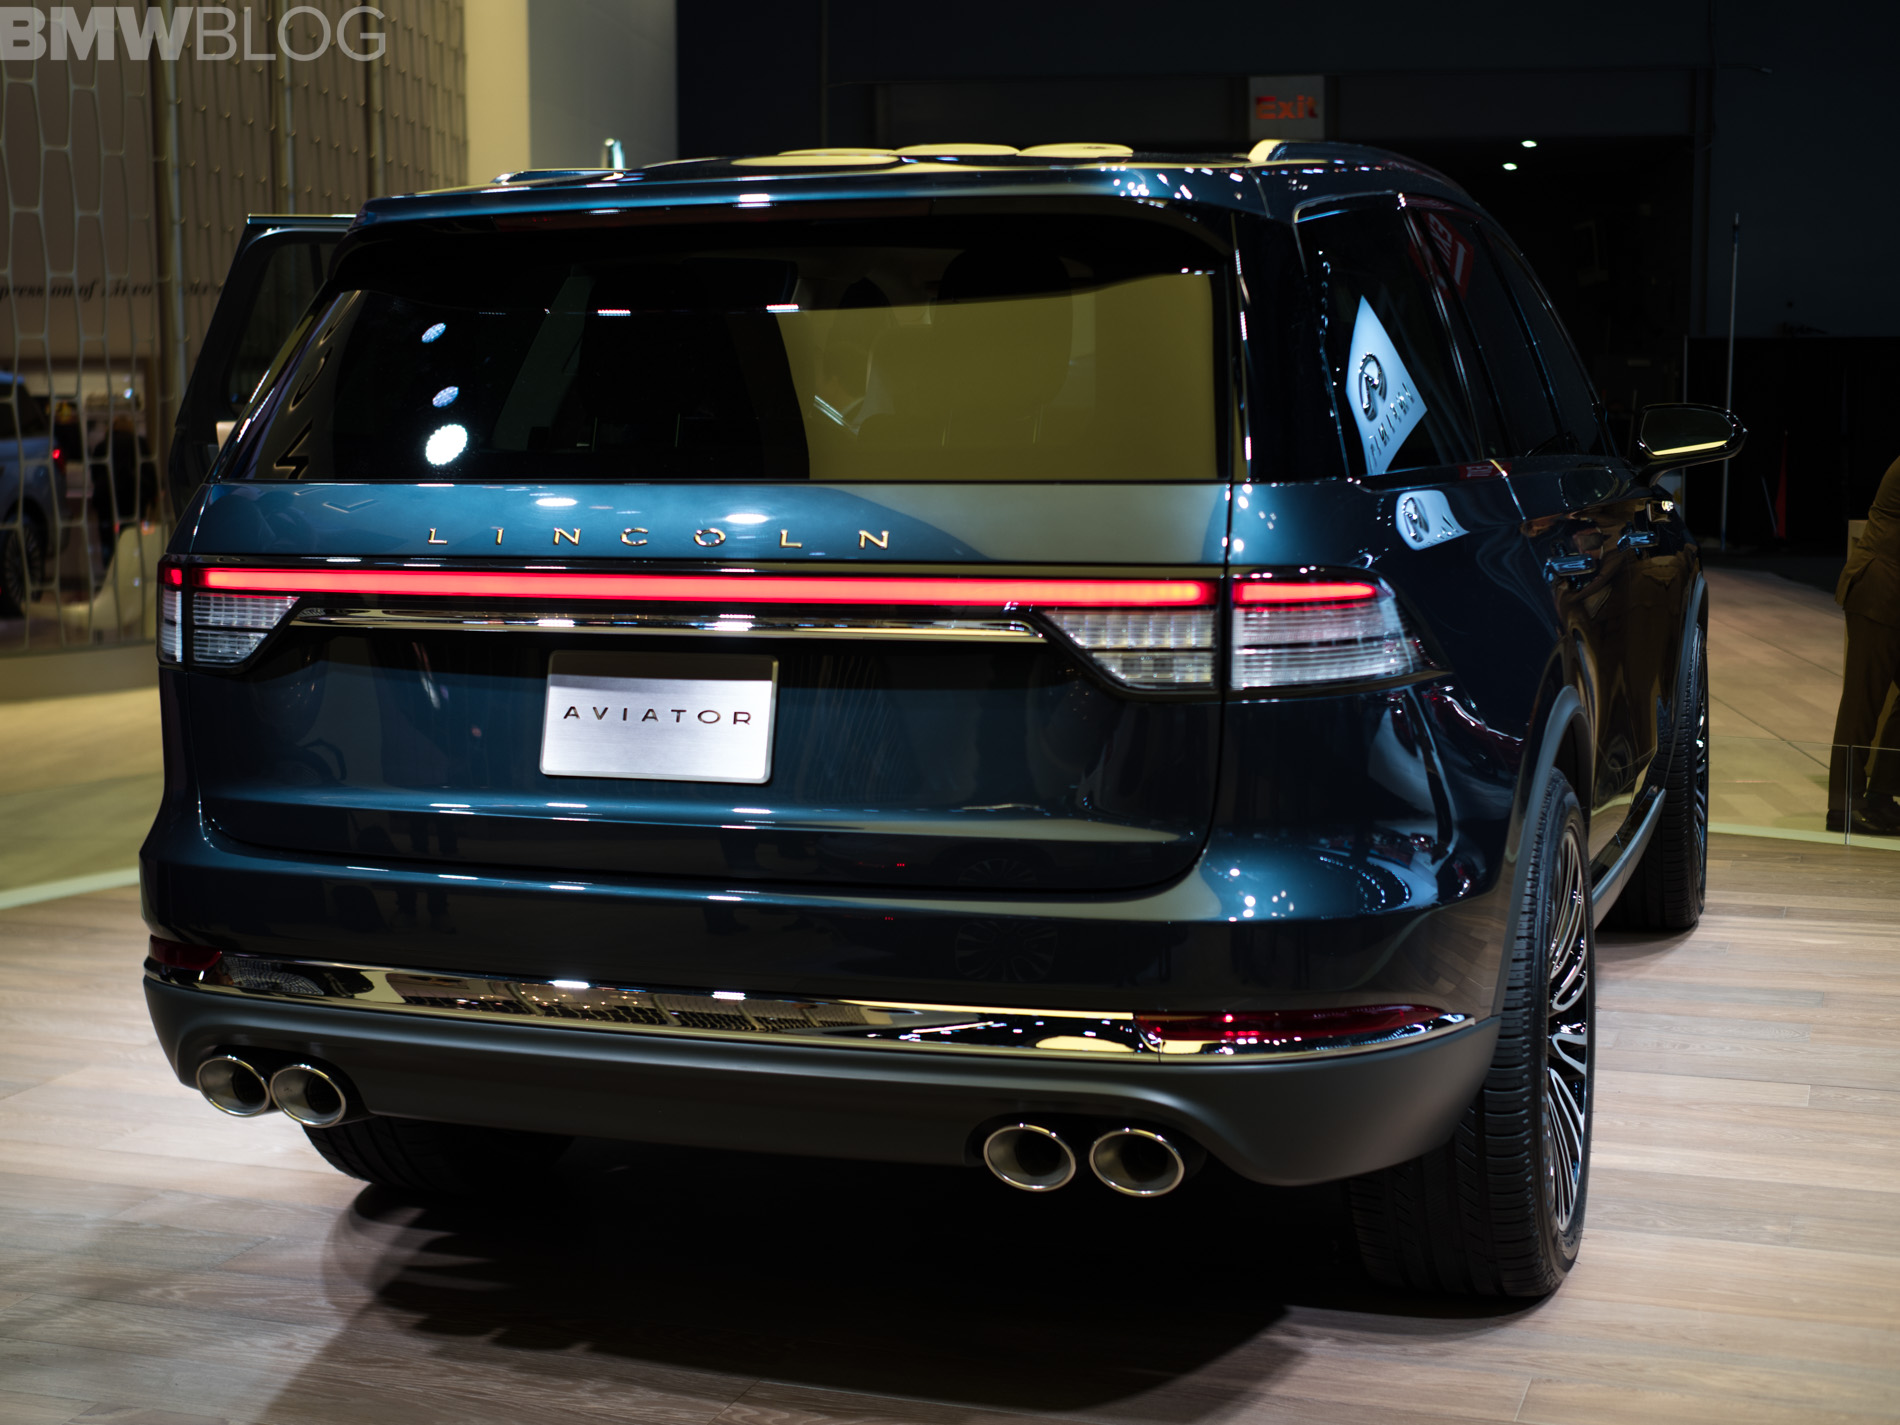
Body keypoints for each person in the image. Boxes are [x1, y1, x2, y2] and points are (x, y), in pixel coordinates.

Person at [1827, 453, 1900, 833]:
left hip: (1891, 595)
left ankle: (1881, 795)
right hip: (1879, 591)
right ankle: (1843, 807)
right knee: (1862, 704)